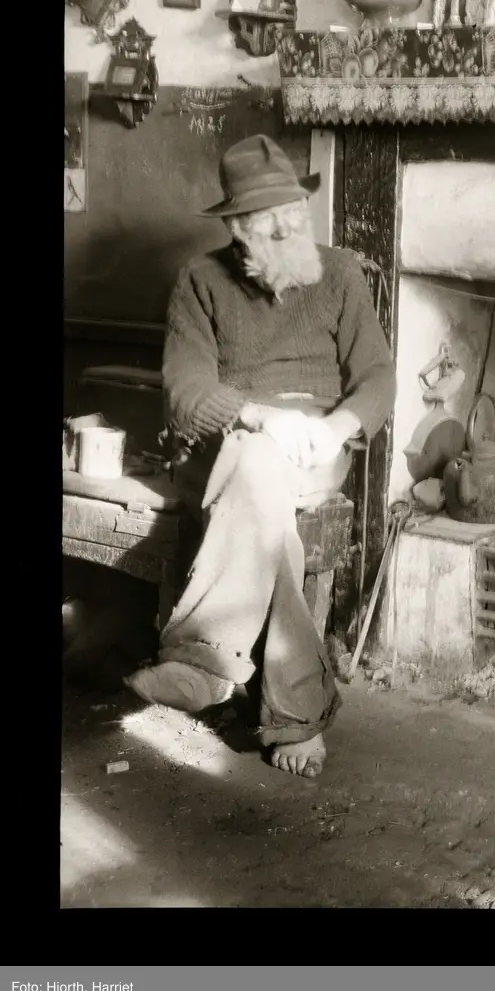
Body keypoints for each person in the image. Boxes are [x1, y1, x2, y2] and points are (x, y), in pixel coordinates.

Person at [125, 135, 395, 778]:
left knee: (261, 468)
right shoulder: (200, 281)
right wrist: (256, 416)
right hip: (231, 442)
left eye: (294, 217)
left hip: (316, 445)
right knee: (261, 483)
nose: (288, 231)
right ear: (238, 229)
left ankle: (204, 661)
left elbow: (378, 377)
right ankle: (297, 716)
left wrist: (338, 427)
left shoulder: (342, 275)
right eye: (271, 223)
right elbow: (186, 392)